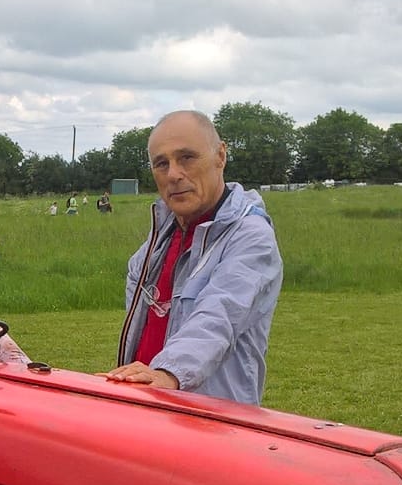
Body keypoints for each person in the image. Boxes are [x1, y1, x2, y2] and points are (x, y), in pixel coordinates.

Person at [105, 110, 283, 404]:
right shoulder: (155, 244)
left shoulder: (251, 238)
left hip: (214, 426)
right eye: (161, 163)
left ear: (220, 156)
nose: (173, 174)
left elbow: (219, 315)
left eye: (186, 157)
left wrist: (166, 373)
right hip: (148, 411)